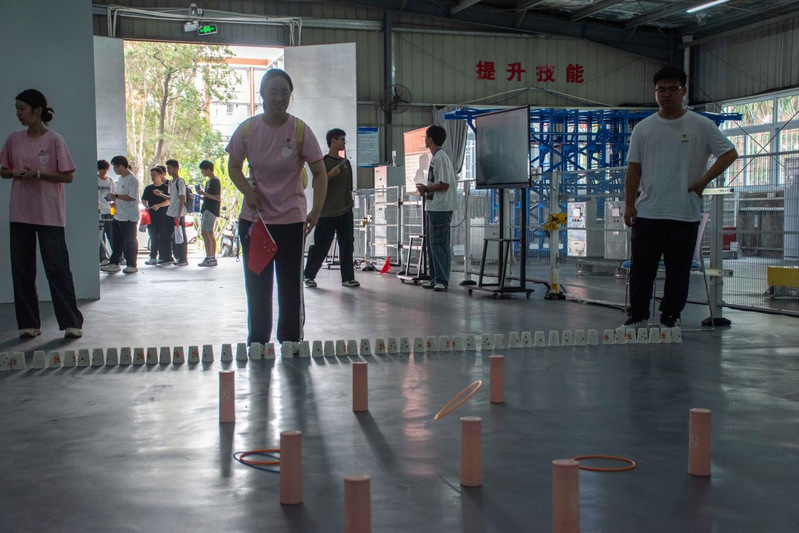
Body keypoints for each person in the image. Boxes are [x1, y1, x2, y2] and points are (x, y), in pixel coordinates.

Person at [623, 66, 737, 329]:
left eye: (672, 89)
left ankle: (670, 317)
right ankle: (637, 317)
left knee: (679, 269)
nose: (666, 94)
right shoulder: (643, 129)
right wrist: (629, 204)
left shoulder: (701, 125)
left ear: (683, 91)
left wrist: (703, 182)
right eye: (661, 90)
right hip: (648, 212)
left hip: (684, 212)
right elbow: (634, 169)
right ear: (655, 93)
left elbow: (729, 153)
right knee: (642, 268)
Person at [226, 68, 328, 347]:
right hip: (256, 221)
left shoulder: (300, 130)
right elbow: (233, 166)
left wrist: (316, 211)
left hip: (291, 222)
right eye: (273, 91)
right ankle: (258, 342)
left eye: (285, 92)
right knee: (257, 285)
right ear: (262, 94)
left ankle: (291, 340)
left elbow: (319, 173)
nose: (279, 98)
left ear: (290, 96)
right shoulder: (247, 130)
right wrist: (247, 192)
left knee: (290, 284)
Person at [0, 88, 84, 338]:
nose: (18, 114)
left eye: (22, 109)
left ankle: (71, 323)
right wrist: (14, 173)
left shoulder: (54, 140)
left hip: (49, 215)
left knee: (57, 268)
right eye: (16, 109)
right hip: (20, 214)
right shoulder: (13, 139)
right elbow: (3, 170)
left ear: (38, 111)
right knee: (22, 270)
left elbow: (68, 176)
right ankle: (28, 324)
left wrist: (37, 174)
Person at [303, 128, 359, 288]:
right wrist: (330, 175)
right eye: (341, 139)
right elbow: (316, 184)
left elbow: (349, 187)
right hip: (327, 212)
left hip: (345, 211)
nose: (344, 142)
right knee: (321, 245)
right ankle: (308, 275)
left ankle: (348, 278)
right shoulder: (323, 162)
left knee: (347, 244)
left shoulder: (346, 164)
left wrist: (349, 203)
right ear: (333, 141)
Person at [416, 125, 458, 292]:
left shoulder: (441, 158)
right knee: (432, 244)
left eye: (425, 137)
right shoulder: (435, 158)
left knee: (439, 244)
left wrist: (427, 188)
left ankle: (442, 279)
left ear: (431, 139)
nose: (425, 140)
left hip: (441, 208)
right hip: (433, 207)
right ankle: (434, 278)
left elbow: (444, 184)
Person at [101, 155, 140, 274]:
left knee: (130, 241)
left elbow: (132, 197)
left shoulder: (132, 180)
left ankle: (131, 264)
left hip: (129, 217)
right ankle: (114, 263)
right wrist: (113, 200)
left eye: (115, 167)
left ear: (122, 166)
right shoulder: (121, 179)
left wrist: (116, 196)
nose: (114, 170)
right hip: (118, 215)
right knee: (117, 241)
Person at [141, 166, 172, 265]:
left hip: (164, 216)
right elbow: (143, 199)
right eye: (151, 175)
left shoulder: (166, 188)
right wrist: (146, 206)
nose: (153, 177)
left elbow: (169, 201)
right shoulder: (148, 188)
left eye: (154, 175)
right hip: (151, 217)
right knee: (153, 236)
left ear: (160, 175)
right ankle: (153, 256)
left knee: (163, 236)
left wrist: (159, 205)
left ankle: (163, 256)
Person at [160, 159, 189, 266]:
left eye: (170, 168)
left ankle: (182, 258)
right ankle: (168, 257)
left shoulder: (180, 182)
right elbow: (172, 197)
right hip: (170, 212)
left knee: (180, 235)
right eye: (168, 169)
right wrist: (160, 194)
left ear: (176, 168)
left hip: (177, 213)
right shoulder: (171, 182)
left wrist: (179, 215)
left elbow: (182, 198)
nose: (168, 171)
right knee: (166, 235)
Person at [196, 159, 221, 267]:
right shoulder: (208, 182)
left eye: (203, 170)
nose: (202, 172)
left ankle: (209, 257)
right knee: (210, 233)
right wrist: (200, 196)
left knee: (205, 232)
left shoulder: (215, 181)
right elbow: (209, 197)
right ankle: (212, 257)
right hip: (206, 208)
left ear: (208, 170)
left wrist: (204, 194)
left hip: (211, 210)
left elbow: (217, 197)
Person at [98, 159, 115, 265]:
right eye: (101, 169)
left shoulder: (110, 181)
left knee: (112, 234)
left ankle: (117, 256)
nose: (103, 171)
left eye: (105, 169)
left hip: (109, 210)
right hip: (99, 211)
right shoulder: (95, 180)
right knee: (101, 236)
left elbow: (114, 195)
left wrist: (114, 210)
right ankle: (103, 258)